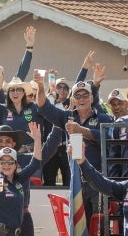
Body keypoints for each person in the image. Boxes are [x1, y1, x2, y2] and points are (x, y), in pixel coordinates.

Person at [37, 79, 113, 223]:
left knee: (99, 226)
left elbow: (107, 137)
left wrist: (81, 130)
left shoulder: (104, 117)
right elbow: (43, 107)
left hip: (97, 180)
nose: (82, 99)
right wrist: (41, 87)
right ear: (73, 99)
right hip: (76, 180)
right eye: (78, 96)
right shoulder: (67, 116)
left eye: (85, 95)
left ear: (92, 98)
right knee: (79, 226)